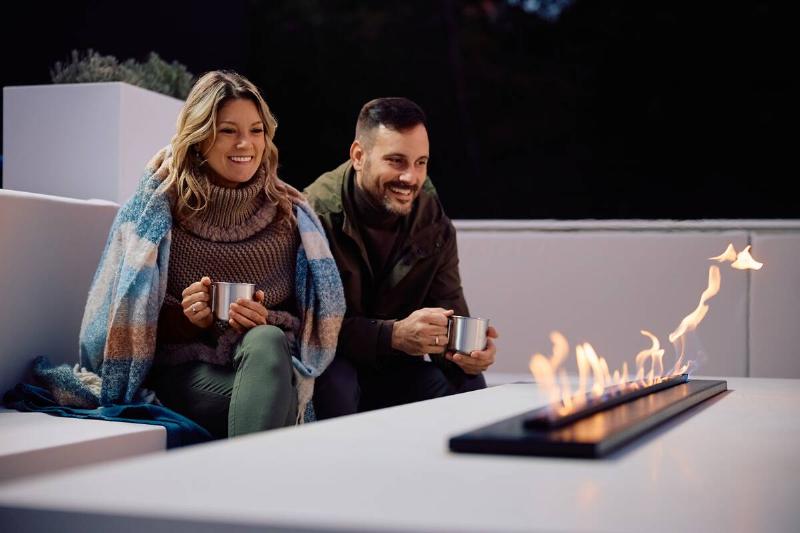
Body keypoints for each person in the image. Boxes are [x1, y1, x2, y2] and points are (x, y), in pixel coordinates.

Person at [74, 70, 345, 438]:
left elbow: (309, 324)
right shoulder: (160, 209)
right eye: (228, 130)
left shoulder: (288, 217)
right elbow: (126, 320)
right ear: (200, 138)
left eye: (256, 131)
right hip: (185, 372)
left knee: (267, 341)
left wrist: (264, 318)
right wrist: (188, 320)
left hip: (265, 363)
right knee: (278, 401)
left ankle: (239, 469)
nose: (245, 143)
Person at [304, 97, 498, 419]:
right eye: (396, 161)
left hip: (393, 367)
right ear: (359, 156)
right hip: (331, 363)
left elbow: (450, 311)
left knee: (465, 381)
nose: (411, 177)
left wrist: (468, 354)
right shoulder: (315, 216)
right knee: (338, 383)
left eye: (420, 162)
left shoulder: (432, 223)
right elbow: (309, 329)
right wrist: (393, 335)